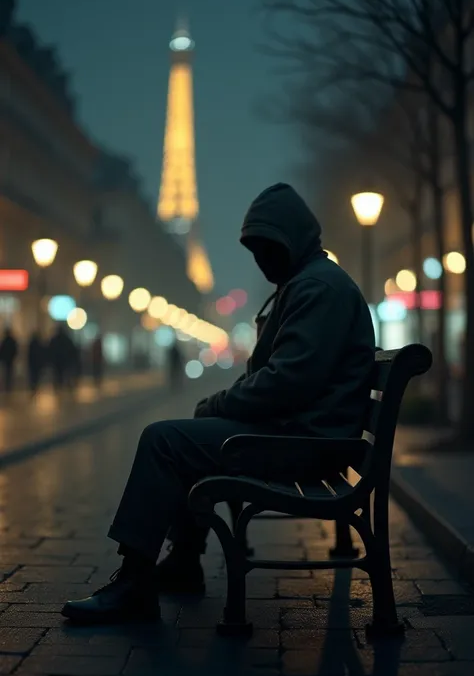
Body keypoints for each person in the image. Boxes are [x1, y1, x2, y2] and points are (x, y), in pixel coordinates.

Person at [62, 183, 375, 624]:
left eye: (268, 249)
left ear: (291, 240)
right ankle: (184, 560)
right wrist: (222, 405)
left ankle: (136, 582)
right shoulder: (309, 283)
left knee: (164, 440)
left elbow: (285, 382)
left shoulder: (316, 289)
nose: (262, 262)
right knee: (187, 437)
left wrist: (219, 403)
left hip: (306, 442)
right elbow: (284, 379)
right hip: (311, 433)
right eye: (256, 252)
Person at [48, 324, 77, 392]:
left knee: (58, 375)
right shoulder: (67, 339)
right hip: (64, 361)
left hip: (57, 361)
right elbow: (72, 351)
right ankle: (63, 387)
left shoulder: (54, 340)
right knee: (64, 374)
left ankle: (59, 387)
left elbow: (50, 350)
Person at [0, 327, 18, 394]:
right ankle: (9, 385)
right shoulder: (12, 341)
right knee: (9, 372)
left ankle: (7, 385)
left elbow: (1, 350)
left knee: (6, 372)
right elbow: (15, 350)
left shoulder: (4, 341)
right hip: (10, 359)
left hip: (6, 359)